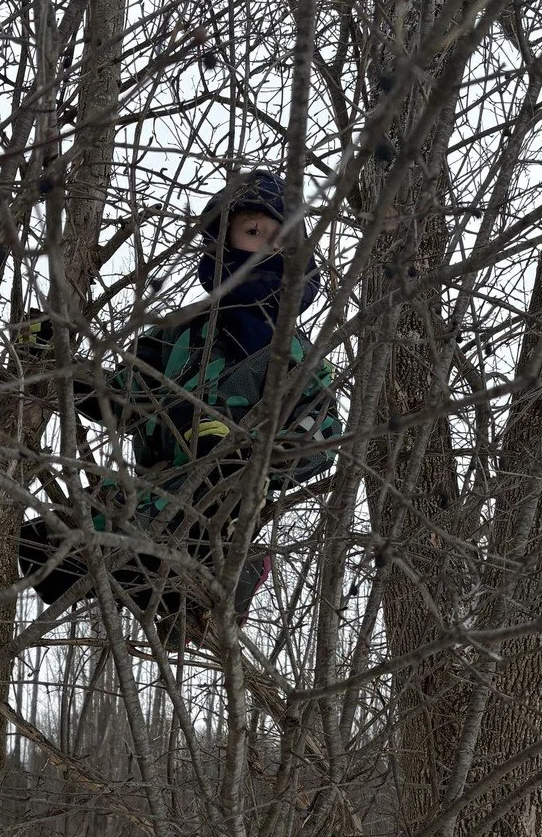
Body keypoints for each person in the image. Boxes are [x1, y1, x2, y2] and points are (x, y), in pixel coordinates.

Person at [18, 168, 340, 643]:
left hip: (223, 511)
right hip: (148, 496)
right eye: (252, 231)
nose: (266, 247)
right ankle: (161, 592)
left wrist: (242, 456)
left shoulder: (292, 351)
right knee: (36, 546)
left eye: (279, 239)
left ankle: (215, 586)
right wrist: (56, 358)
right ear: (221, 239)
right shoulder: (180, 332)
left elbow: (322, 435)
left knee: (204, 529)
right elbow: (123, 397)